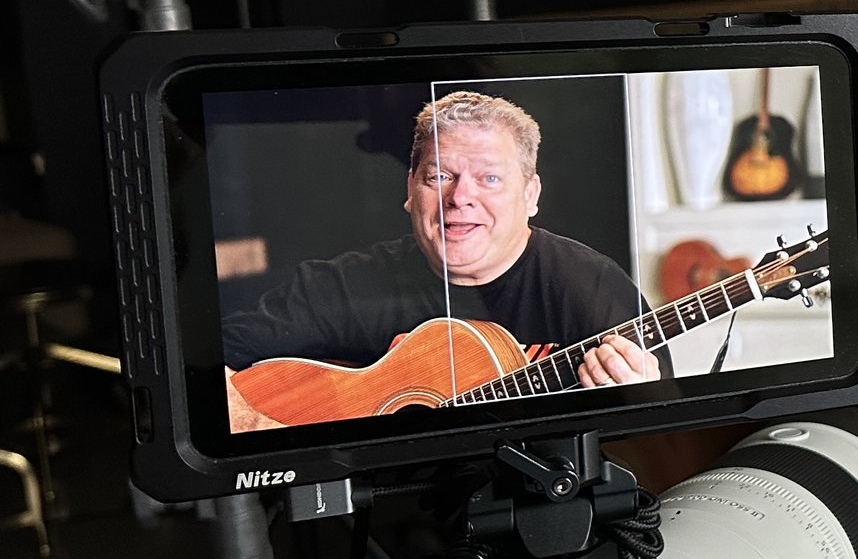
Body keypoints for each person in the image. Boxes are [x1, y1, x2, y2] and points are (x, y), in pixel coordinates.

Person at [221, 90, 664, 431]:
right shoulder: (345, 286)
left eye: (488, 178)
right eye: (440, 177)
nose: (461, 198)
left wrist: (636, 403)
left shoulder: (589, 284)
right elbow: (203, 375)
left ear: (530, 195)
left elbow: (659, 421)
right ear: (411, 190)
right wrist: (269, 436)